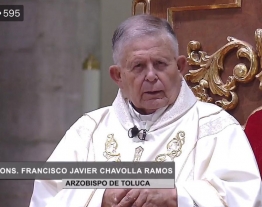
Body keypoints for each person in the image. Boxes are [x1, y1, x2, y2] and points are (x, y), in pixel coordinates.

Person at [29, 14, 262, 207]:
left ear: (180, 67)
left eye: (160, 64)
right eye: (138, 66)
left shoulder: (217, 128)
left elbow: (246, 197)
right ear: (118, 76)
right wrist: (100, 198)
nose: (151, 76)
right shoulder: (88, 131)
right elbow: (46, 197)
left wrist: (175, 196)